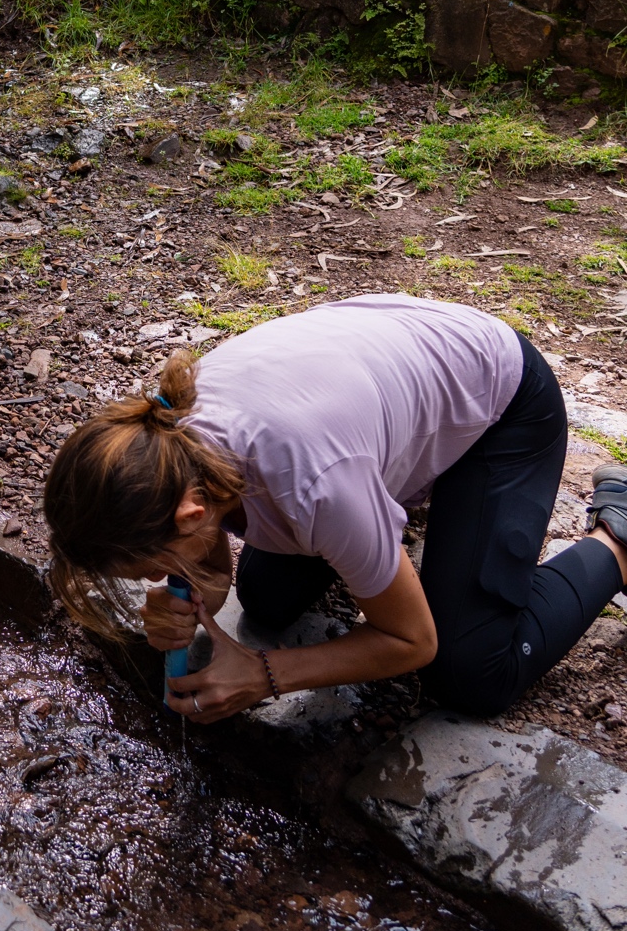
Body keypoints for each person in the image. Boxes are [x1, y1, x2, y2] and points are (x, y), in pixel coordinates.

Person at [43, 294, 627, 723]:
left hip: (501, 398)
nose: (156, 579)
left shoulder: (317, 486)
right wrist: (202, 598)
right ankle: (404, 499)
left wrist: (263, 675)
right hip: (385, 370)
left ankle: (617, 535)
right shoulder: (162, 443)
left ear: (190, 514)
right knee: (267, 598)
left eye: (152, 567)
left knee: (469, 671)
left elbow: (412, 642)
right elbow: (212, 561)